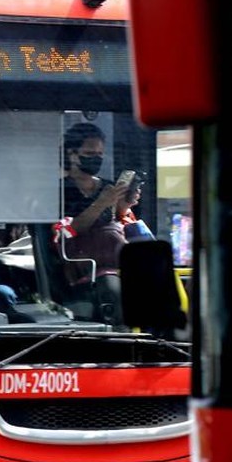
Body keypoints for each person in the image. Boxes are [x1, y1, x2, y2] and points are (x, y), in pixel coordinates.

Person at [59, 122, 140, 324]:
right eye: (89, 153)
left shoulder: (107, 186)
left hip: (118, 260)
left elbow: (117, 221)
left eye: (99, 154)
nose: (96, 158)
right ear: (72, 153)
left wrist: (124, 206)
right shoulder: (61, 191)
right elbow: (67, 231)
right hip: (84, 267)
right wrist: (102, 202)